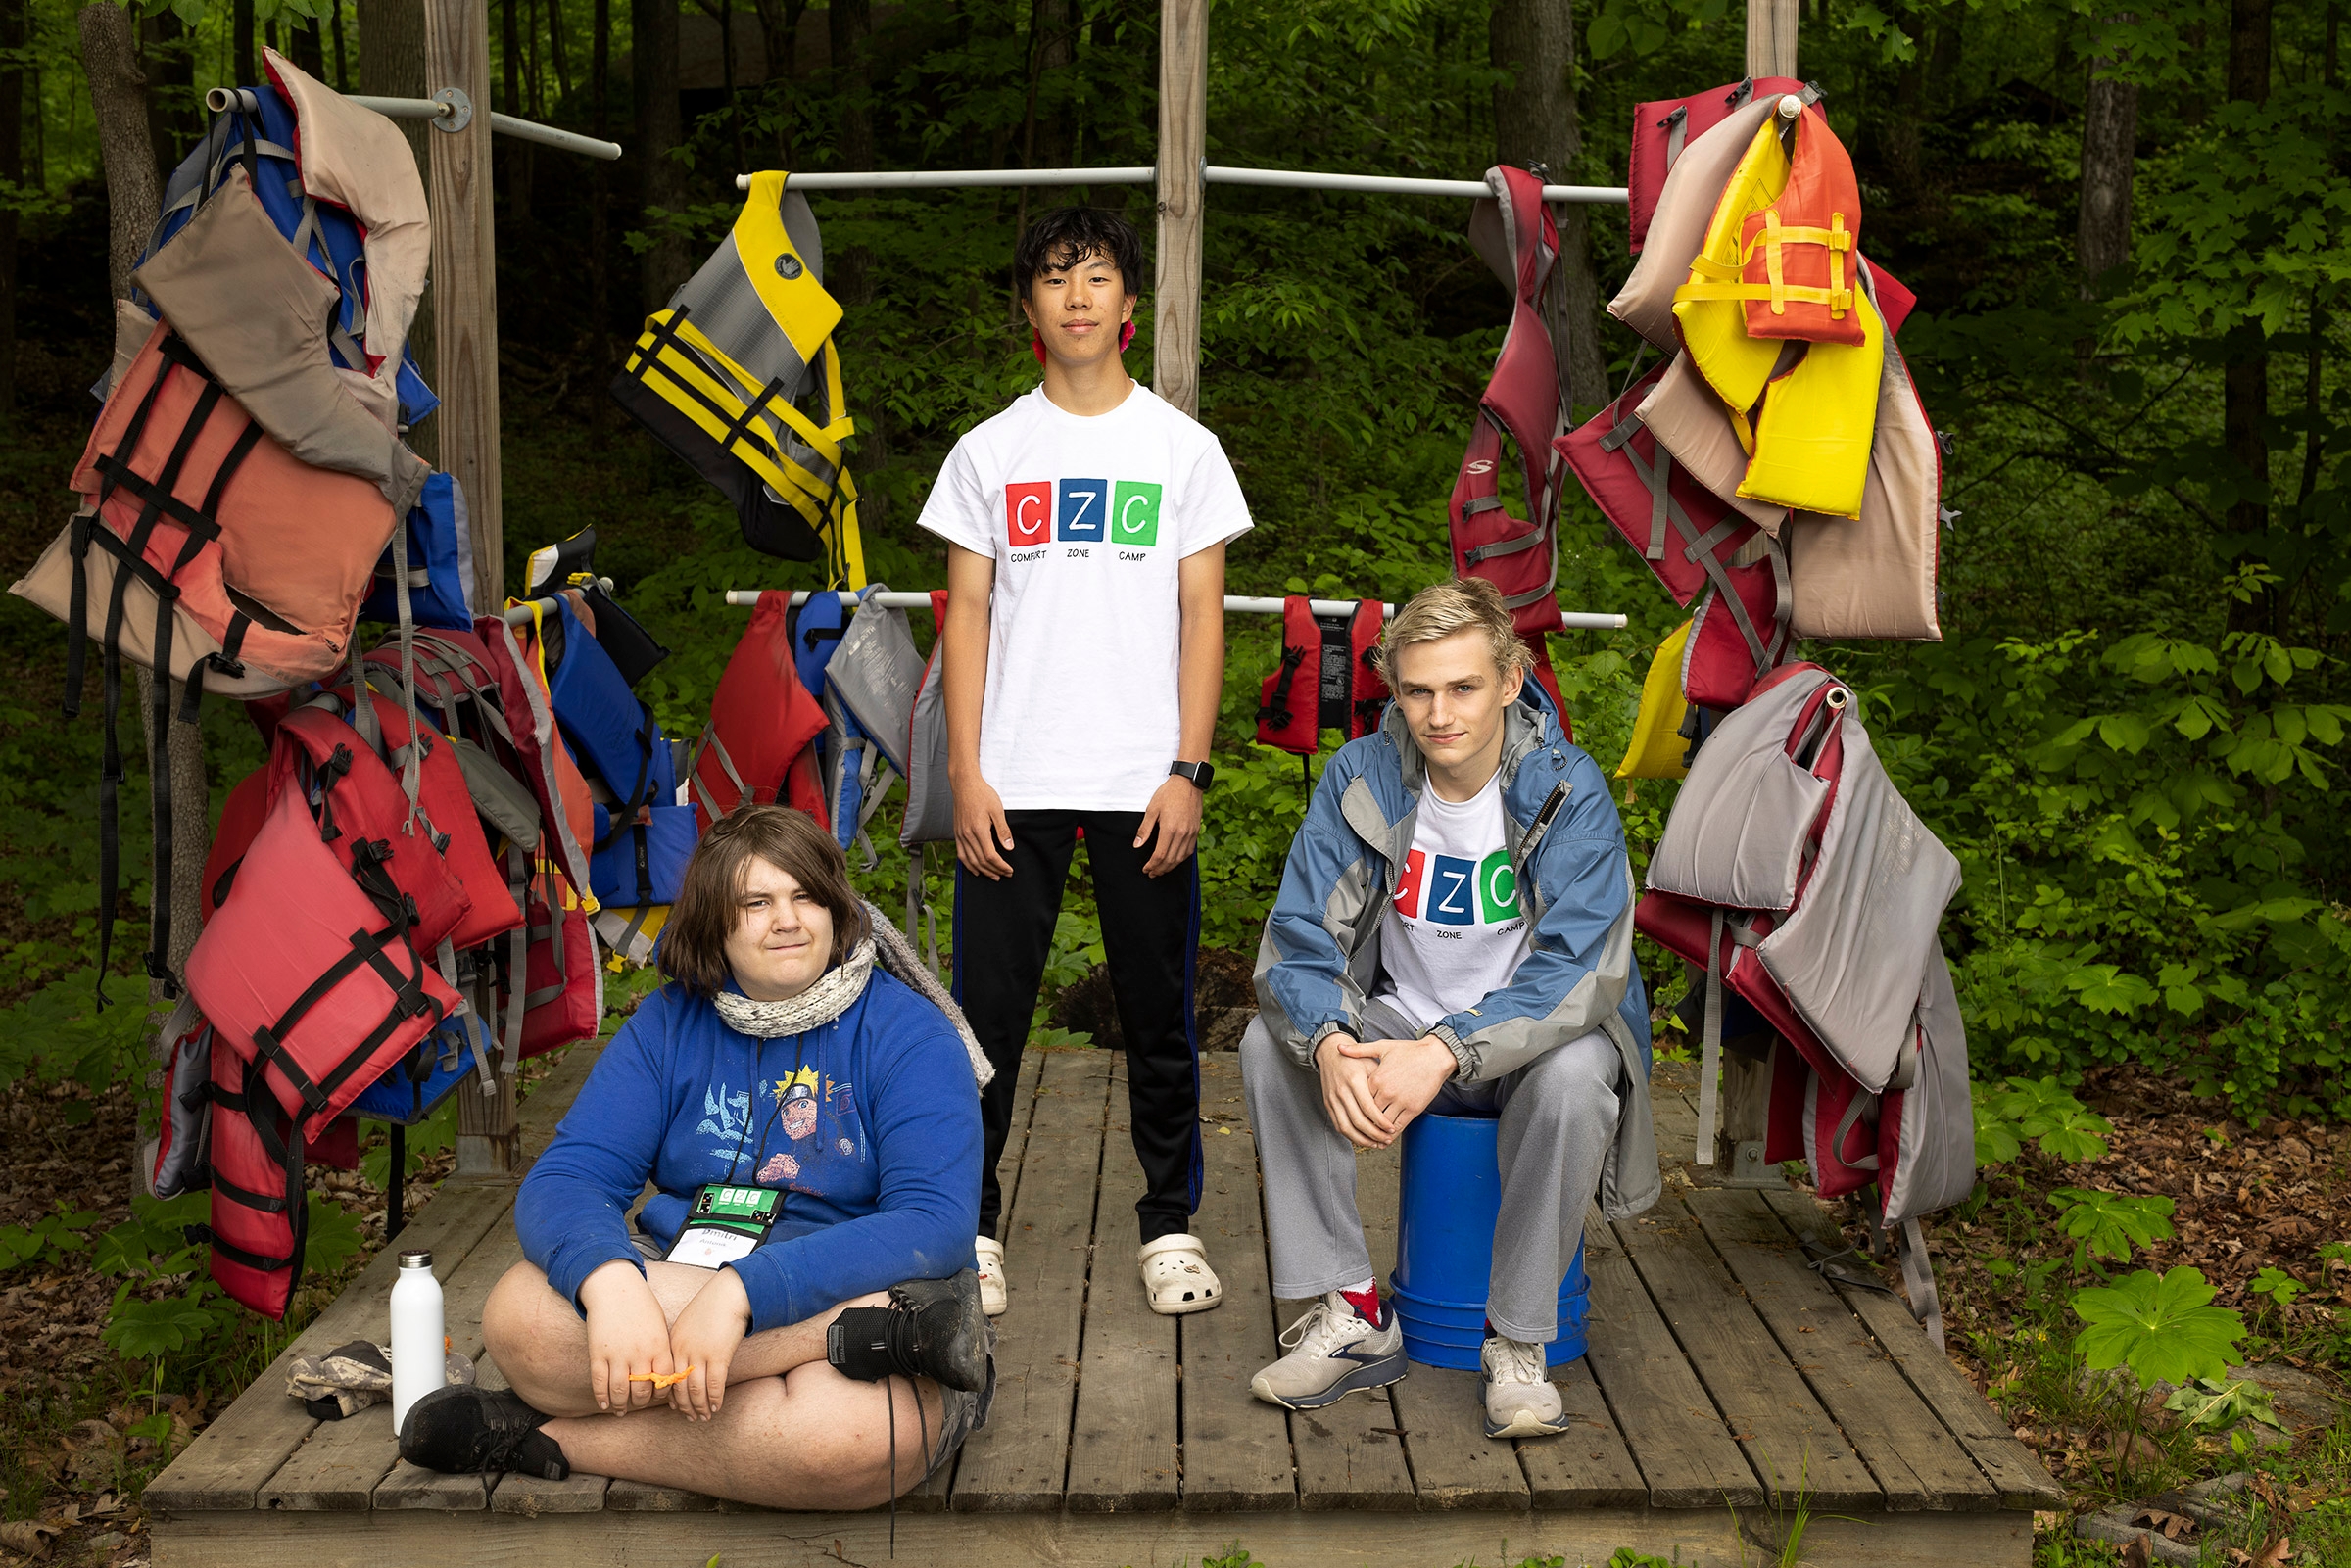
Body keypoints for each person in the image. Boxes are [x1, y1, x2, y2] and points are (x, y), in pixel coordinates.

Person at [398, 805, 990, 1508]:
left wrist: (744, 1294)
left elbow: (934, 1224)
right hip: (704, 1286)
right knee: (519, 1316)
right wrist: (612, 1282)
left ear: (836, 908)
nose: (789, 919)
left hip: (856, 1279)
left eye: (806, 895)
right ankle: (856, 1336)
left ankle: (548, 1433)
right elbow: (569, 1175)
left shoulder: (907, 1032)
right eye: (757, 902)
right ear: (715, 921)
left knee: (856, 1439)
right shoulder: (672, 1022)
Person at [915, 206, 1252, 1319]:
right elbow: (966, 616)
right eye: (1054, 279)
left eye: (1096, 276)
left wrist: (1187, 770)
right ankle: (970, 1225)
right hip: (1011, 782)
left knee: (1159, 1013)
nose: (1075, 297)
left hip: (1139, 781)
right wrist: (966, 772)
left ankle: (1169, 1224)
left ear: (1128, 303)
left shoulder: (1180, 449)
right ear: (1029, 308)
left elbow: (1204, 616)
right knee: (987, 1021)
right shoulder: (990, 451)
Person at [1240, 578, 1658, 1438]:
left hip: (1530, 1043)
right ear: (1395, 689)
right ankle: (1355, 1310)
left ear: (1509, 680)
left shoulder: (1566, 790)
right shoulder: (1363, 775)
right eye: (1419, 689)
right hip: (1403, 1022)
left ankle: (1516, 1341)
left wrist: (1447, 1048)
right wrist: (1328, 1042)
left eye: (1463, 687)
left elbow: (1580, 973)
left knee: (1580, 1077)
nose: (1440, 713)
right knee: (1268, 1040)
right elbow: (1299, 942)